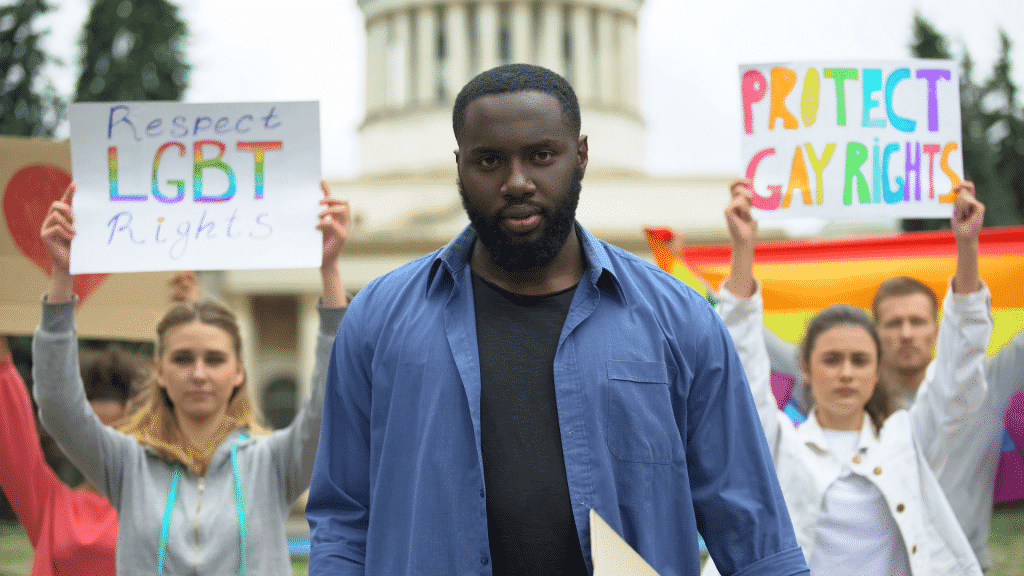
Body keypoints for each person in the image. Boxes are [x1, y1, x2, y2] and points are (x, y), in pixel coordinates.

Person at [306, 63, 809, 576]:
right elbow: (346, 518)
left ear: (582, 155)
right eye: (489, 161)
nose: (517, 182)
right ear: (459, 166)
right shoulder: (378, 320)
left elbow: (751, 525)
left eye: (541, 155)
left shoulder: (679, 321)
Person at [33, 181, 349, 575]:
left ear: (238, 372)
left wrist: (330, 271)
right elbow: (60, 405)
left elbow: (330, 404)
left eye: (214, 359)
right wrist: (62, 274)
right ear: (161, 372)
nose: (199, 373)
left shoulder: (272, 463)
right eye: (183, 359)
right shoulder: (126, 464)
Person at [702, 180, 991, 575]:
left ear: (877, 370)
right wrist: (743, 248)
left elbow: (958, 377)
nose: (846, 373)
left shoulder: (906, 440)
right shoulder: (779, 445)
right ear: (806, 367)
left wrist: (968, 246)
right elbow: (742, 366)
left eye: (860, 360)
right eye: (832, 359)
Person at [761, 207, 1018, 571]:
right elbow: (753, 347)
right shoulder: (825, 415)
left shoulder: (969, 393)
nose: (907, 333)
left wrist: (968, 246)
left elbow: (962, 358)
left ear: (937, 328)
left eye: (917, 321)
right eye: (894, 323)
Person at [0, 337, 138, 575]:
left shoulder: (164, 499)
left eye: (117, 433)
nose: (103, 446)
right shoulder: (49, 506)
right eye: (91, 434)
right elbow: (13, 436)